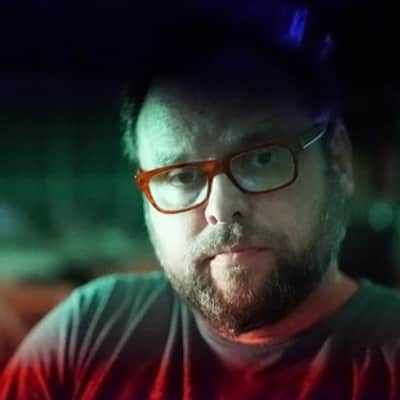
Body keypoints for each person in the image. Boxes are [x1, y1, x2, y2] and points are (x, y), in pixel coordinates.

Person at [1, 6, 400, 400]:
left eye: (262, 159)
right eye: (182, 176)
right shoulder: (86, 337)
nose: (221, 209)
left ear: (339, 160)